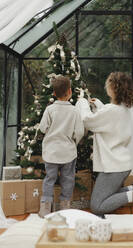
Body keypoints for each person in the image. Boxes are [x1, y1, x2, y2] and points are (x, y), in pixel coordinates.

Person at [76, 72, 133, 216]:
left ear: (114, 88)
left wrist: (82, 103)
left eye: (108, 83)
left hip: (113, 167)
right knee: (109, 194)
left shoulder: (112, 110)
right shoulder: (122, 108)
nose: (106, 85)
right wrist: (98, 105)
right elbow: (108, 118)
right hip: (119, 164)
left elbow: (88, 120)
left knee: (97, 206)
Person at [38, 75, 84, 217]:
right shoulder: (75, 111)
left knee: (49, 179)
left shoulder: (50, 110)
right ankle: (65, 206)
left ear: (54, 93)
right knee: (68, 179)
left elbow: (42, 128)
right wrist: (73, 141)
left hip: (51, 152)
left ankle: (45, 207)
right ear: (70, 92)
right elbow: (79, 131)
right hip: (68, 153)